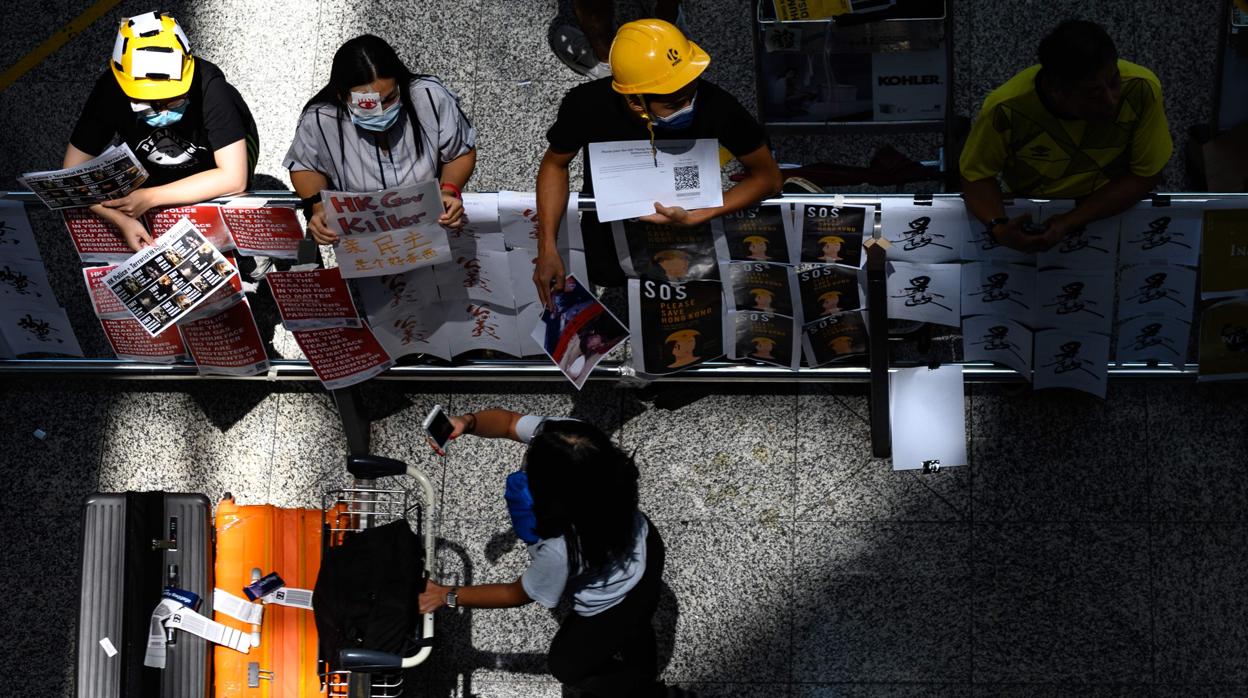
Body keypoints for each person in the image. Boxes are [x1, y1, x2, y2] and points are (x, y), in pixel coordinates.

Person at [534, 18, 783, 306]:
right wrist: (548, 247)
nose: (690, 104)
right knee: (613, 279)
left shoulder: (718, 106)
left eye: (693, 89)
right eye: (675, 102)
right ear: (636, 101)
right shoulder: (585, 106)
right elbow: (555, 165)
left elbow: (768, 178)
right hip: (610, 237)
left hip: (692, 240)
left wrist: (699, 215)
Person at [418, 412, 665, 697]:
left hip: (615, 600)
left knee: (567, 667)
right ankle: (638, 647)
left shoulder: (561, 548)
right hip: (647, 545)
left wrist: (446, 595)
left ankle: (646, 688)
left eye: (531, 470)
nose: (526, 463)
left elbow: (517, 594)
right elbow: (510, 423)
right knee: (636, 625)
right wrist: (468, 422)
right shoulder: (578, 444)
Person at [961, 19, 1172, 253]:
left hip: (1115, 205)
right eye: (1093, 93)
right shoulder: (1005, 108)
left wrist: (1070, 221)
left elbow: (1146, 175)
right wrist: (999, 228)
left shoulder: (1142, 89)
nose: (1111, 100)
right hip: (1033, 213)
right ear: (1056, 90)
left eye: (1114, 82)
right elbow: (975, 176)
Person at [63, 11, 259, 251]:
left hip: (211, 171)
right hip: (151, 178)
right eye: (147, 102)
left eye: (173, 100)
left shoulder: (209, 84)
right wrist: (121, 220)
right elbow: (72, 173)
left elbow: (232, 178)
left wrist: (149, 198)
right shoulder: (110, 90)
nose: (163, 111)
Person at [285, 35, 476, 245]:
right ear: (341, 96)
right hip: (366, 243)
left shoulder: (430, 96)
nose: (382, 112)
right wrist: (318, 205)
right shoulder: (321, 118)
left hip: (432, 231)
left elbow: (460, 151)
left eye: (390, 98)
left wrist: (448, 190)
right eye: (368, 105)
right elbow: (305, 166)